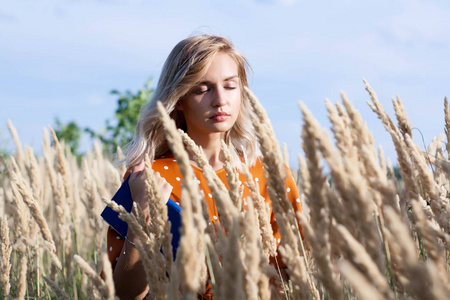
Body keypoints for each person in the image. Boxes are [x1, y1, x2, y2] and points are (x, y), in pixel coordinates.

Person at [106, 34, 302, 299]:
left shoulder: (269, 175)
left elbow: (294, 274)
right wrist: (143, 215)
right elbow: (124, 294)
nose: (219, 99)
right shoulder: (149, 177)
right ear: (179, 98)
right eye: (202, 89)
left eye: (230, 86)